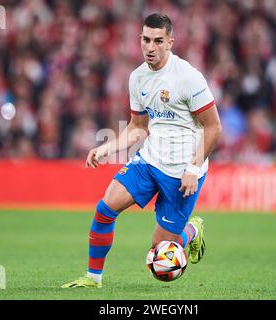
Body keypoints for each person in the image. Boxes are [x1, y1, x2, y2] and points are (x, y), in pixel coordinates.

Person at [62, 13, 222, 288]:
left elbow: (213, 127)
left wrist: (194, 169)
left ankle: (191, 231)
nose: (151, 47)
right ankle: (93, 279)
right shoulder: (137, 78)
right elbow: (138, 127)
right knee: (104, 209)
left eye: (158, 41)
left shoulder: (188, 78)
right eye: (146, 40)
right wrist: (108, 148)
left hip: (183, 171)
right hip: (149, 161)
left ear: (170, 42)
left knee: (160, 258)